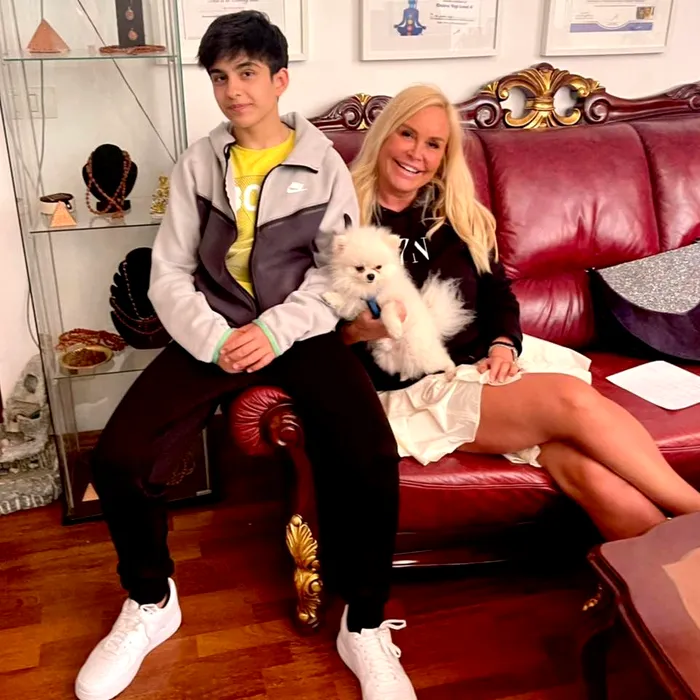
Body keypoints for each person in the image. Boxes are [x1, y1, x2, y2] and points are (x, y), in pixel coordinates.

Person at [75, 12, 416, 700]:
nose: (233, 90)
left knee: (373, 456)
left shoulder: (324, 165)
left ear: (280, 79)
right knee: (117, 457)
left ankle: (364, 624)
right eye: (220, 77)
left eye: (248, 73)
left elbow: (338, 275)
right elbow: (168, 272)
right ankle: (150, 601)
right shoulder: (198, 164)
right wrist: (213, 339)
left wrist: (277, 332)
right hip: (214, 333)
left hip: (299, 334)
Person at [340, 83, 700, 543]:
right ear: (384, 134)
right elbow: (314, 325)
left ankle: (675, 577)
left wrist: (503, 344)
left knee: (589, 474)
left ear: (445, 156)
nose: (416, 153)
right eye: (406, 134)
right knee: (570, 400)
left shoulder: (458, 215)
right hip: (413, 389)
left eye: (433, 144)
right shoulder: (340, 217)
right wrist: (357, 331)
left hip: (483, 369)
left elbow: (498, 294)